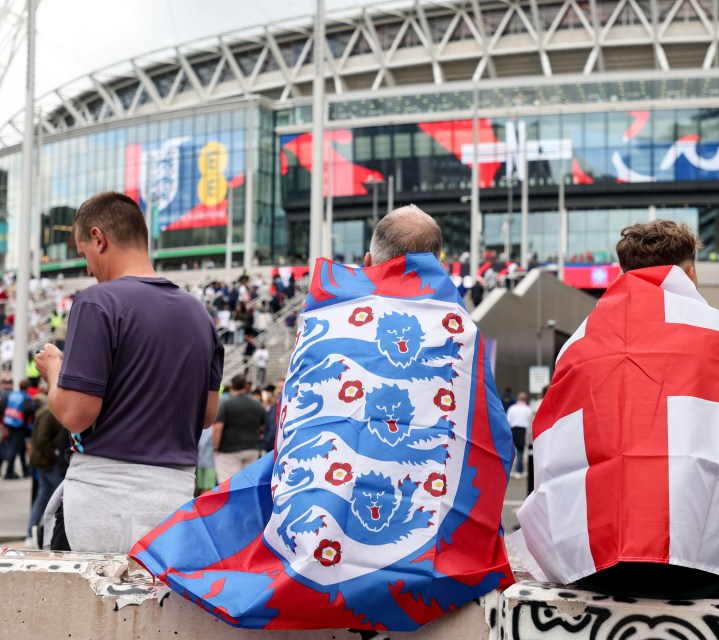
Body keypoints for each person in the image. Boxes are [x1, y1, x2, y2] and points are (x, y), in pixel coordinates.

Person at [132, 204, 515, 631]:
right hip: (423, 560)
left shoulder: (325, 320)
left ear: (368, 263)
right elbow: (491, 438)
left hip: (315, 537)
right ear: (439, 264)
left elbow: (295, 425)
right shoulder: (460, 328)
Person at [510, 219, 719, 600]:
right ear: (690, 272)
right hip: (707, 569)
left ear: (622, 272)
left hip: (595, 567)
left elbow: (550, 445)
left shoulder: (579, 342)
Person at [34, 191, 223, 554]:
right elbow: (206, 415)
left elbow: (76, 414)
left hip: (101, 505)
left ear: (98, 238)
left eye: (83, 253)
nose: (87, 268)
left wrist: (55, 370)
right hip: (172, 504)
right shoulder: (200, 315)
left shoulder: (98, 301)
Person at [26, 396, 69, 547]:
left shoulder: (45, 413)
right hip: (48, 462)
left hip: (44, 461)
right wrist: (53, 457)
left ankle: (31, 533)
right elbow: (42, 439)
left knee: (43, 496)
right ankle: (40, 534)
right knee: (59, 498)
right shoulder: (50, 414)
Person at [212, 374, 267, 482]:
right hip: (252, 449)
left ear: (232, 386)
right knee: (247, 485)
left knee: (228, 486)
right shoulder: (257, 404)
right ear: (245, 386)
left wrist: (215, 448)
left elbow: (218, 427)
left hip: (229, 451)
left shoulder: (226, 403)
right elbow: (262, 427)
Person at [2, 379, 35, 479]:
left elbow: (3, 406)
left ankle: (25, 470)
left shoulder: (12, 395)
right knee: (14, 448)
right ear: (28, 387)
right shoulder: (26, 397)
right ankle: (9, 472)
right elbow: (29, 410)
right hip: (20, 425)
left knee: (21, 448)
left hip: (10, 421)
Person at [506, 391, 534, 479]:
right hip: (523, 429)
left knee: (512, 451)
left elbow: (508, 420)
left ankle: (511, 470)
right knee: (521, 450)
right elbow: (530, 422)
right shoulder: (528, 409)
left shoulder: (512, 408)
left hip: (513, 429)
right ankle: (519, 470)